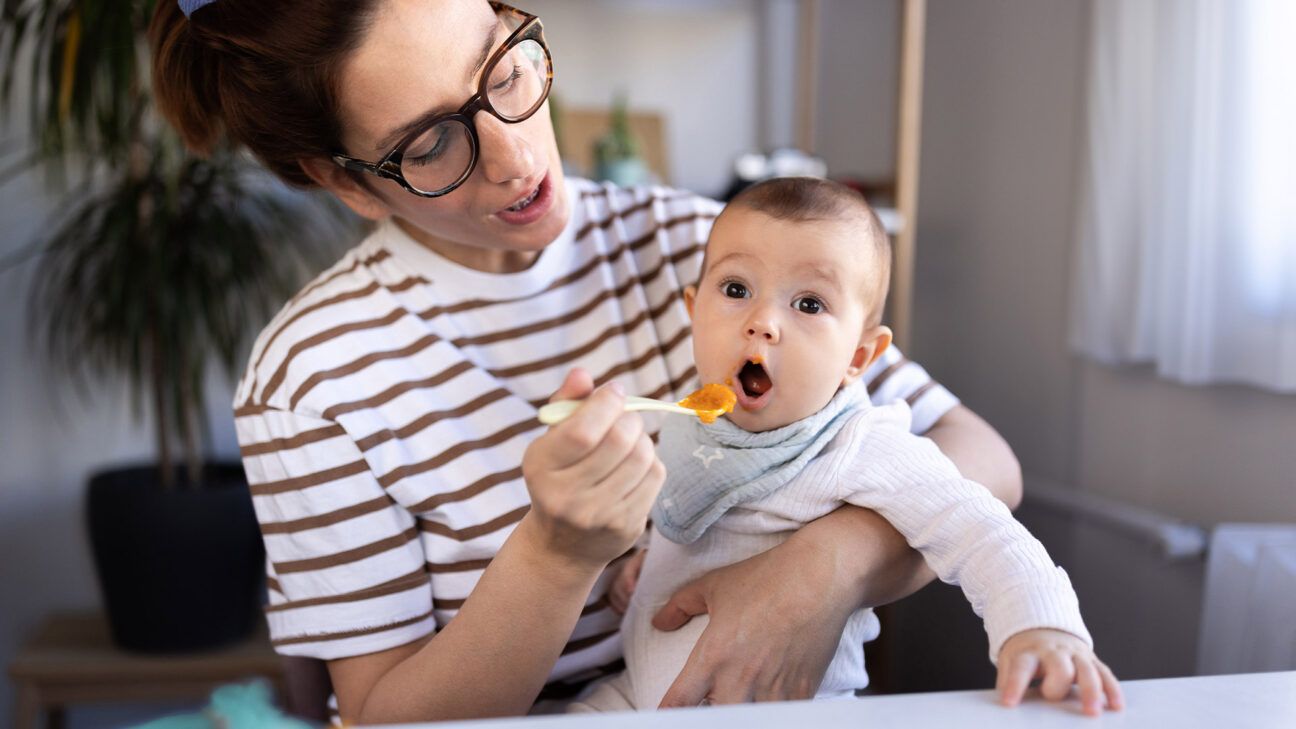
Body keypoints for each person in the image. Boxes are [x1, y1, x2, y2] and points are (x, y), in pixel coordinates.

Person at [149, 0, 1026, 724]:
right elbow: (385, 716)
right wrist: (555, 557)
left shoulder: (700, 249)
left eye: (505, 69)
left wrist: (818, 572)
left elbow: (979, 455)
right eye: (429, 146)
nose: (517, 154)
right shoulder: (311, 381)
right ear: (346, 181)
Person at [571, 178, 1124, 715]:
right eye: (736, 290)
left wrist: (1040, 625)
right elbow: (700, 519)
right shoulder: (686, 419)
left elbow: (983, 531)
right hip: (636, 694)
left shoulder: (861, 446)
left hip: (785, 707)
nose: (762, 323)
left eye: (808, 304)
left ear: (859, 358)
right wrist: (648, 559)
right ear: (693, 311)